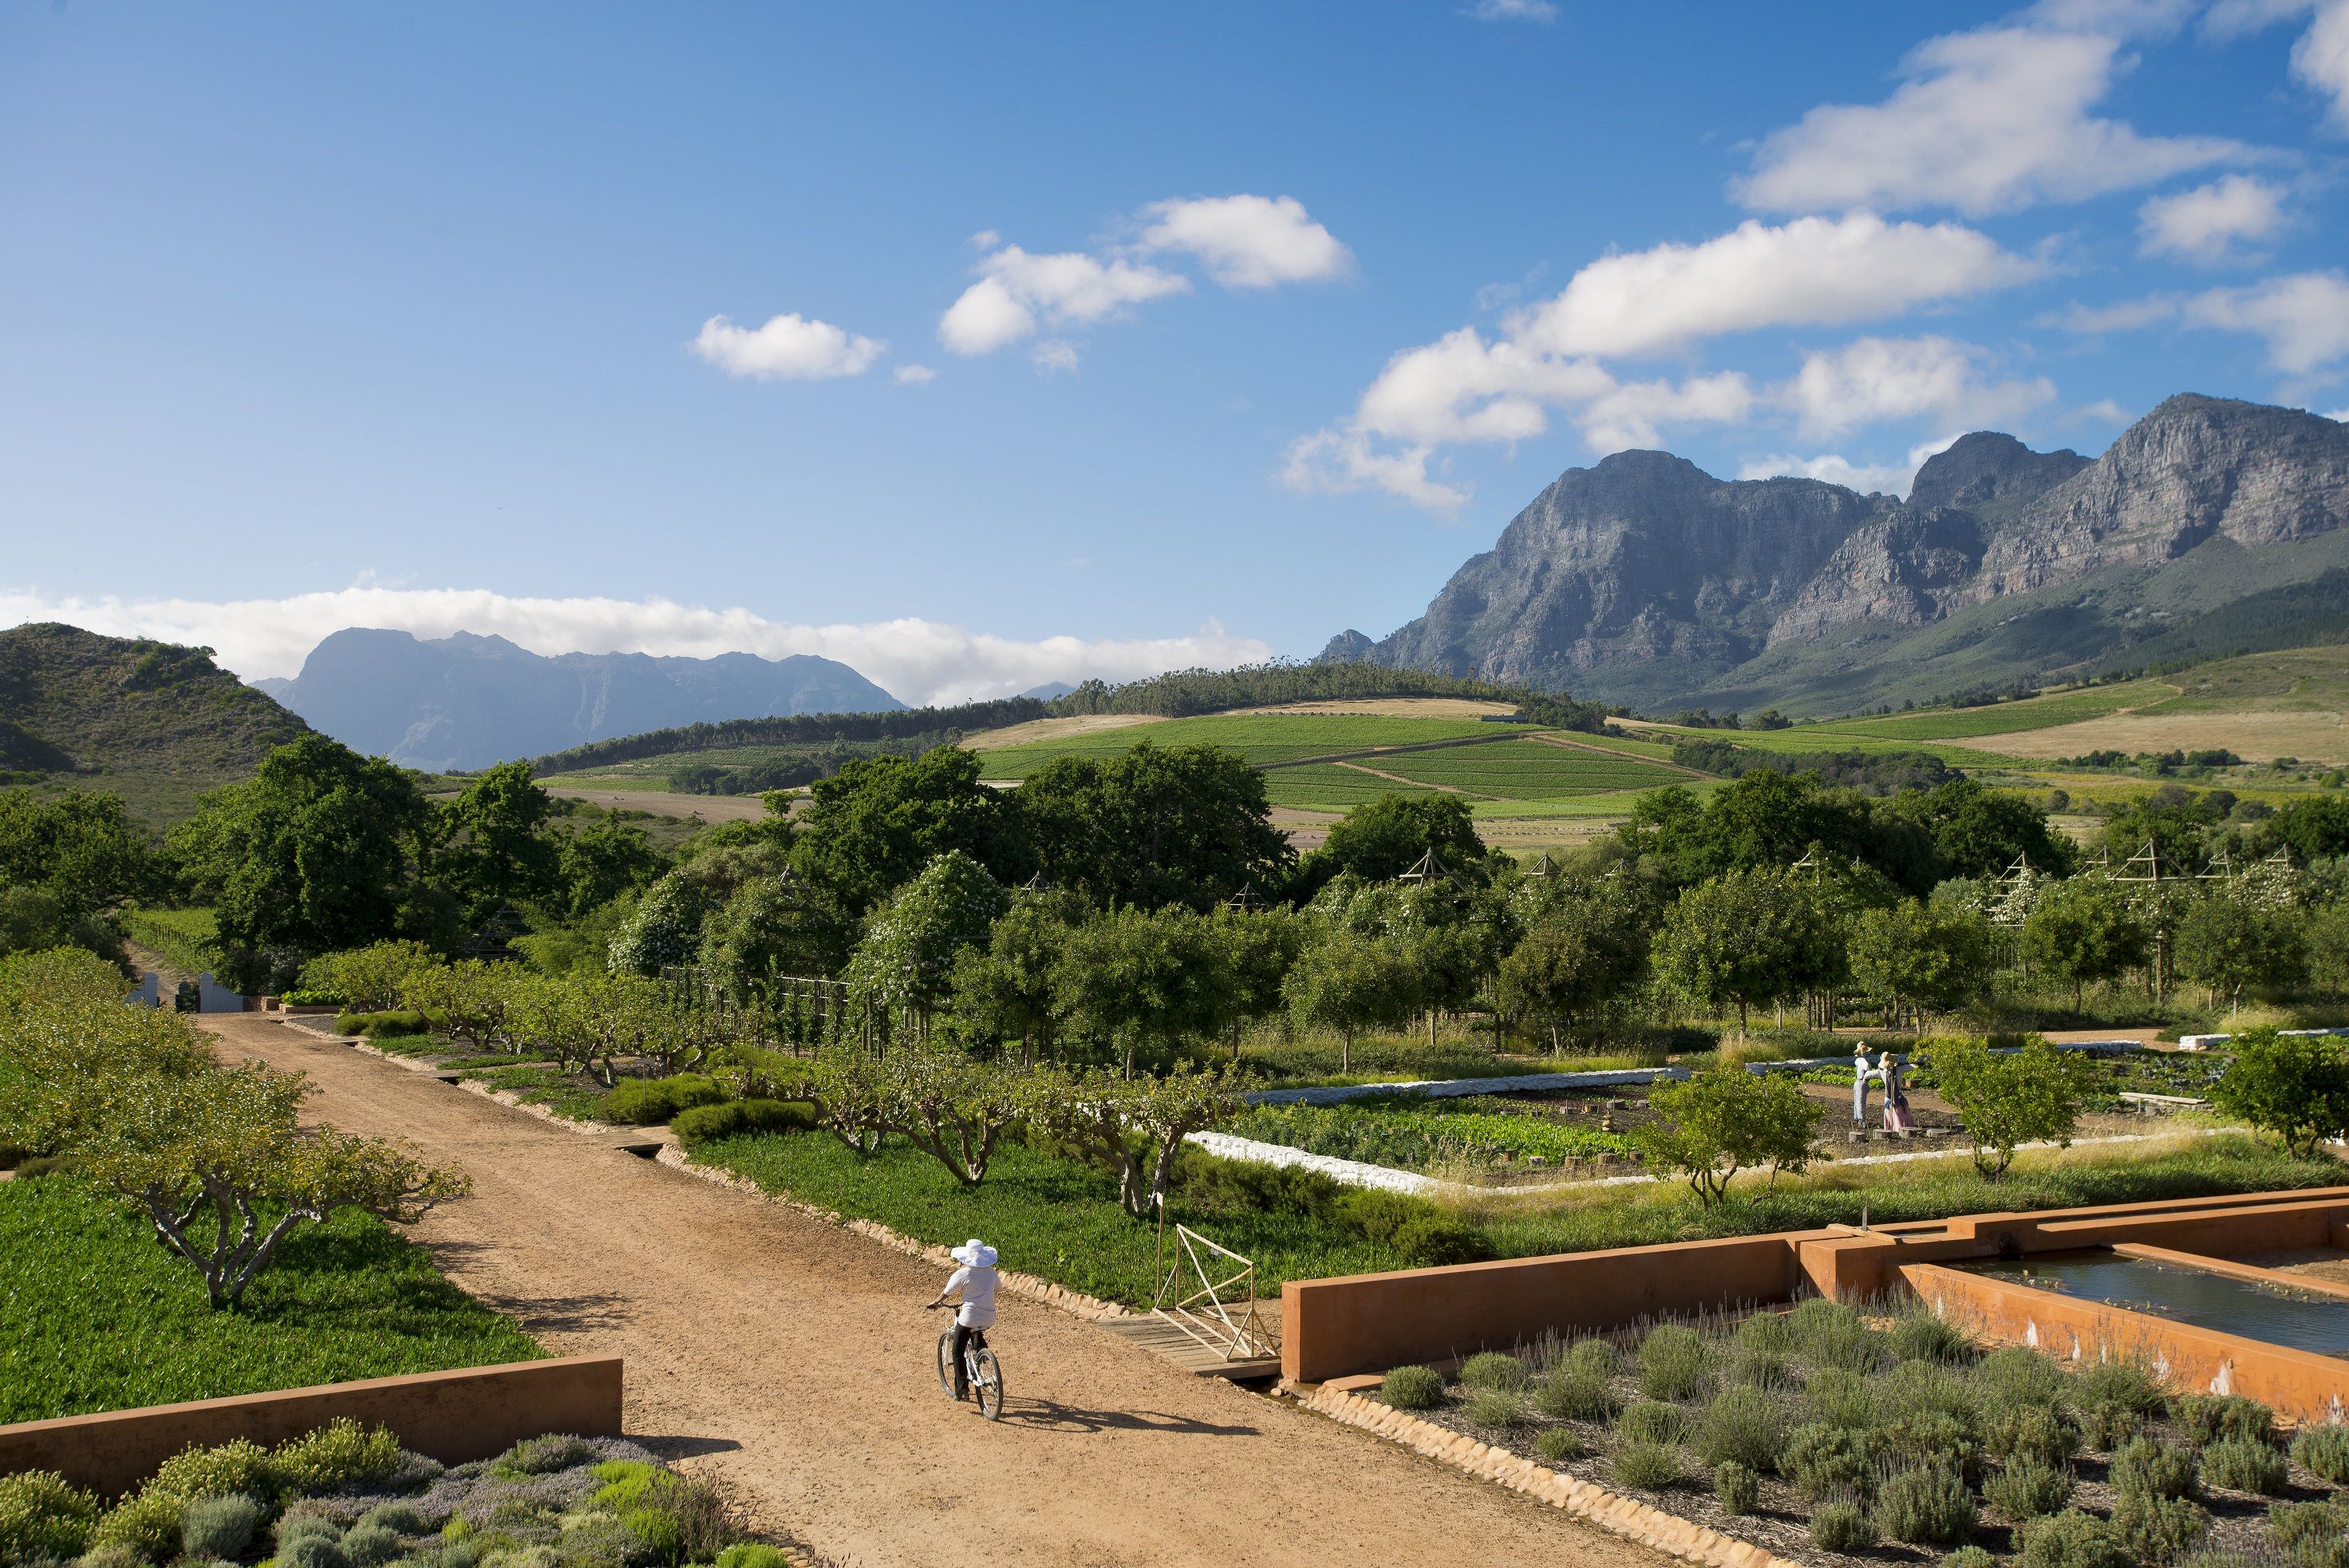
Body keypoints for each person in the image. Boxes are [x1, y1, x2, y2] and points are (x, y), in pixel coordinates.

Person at [926, 1237, 998, 1400]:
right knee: (976, 1333)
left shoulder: (963, 1273)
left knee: (957, 1350)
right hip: (989, 1317)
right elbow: (998, 1289)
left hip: (969, 1317)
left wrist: (936, 1303)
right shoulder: (991, 1272)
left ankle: (962, 1390)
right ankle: (981, 1354)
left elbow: (947, 1292)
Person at [1879, 1050, 1914, 1132]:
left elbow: (1870, 1074)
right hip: (1892, 1097)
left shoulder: (1883, 1071)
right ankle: (1898, 1127)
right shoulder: (1899, 1069)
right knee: (1897, 1112)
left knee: (1895, 1112)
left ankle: (1895, 1128)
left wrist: (1865, 1078)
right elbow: (1911, 1067)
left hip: (1893, 1097)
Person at [1850, 1039, 1873, 1124]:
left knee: (1857, 1100)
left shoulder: (1858, 1060)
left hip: (1857, 1082)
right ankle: (1861, 1119)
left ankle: (1857, 1117)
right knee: (1861, 1101)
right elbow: (1869, 1071)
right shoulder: (1864, 1061)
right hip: (1862, 1082)